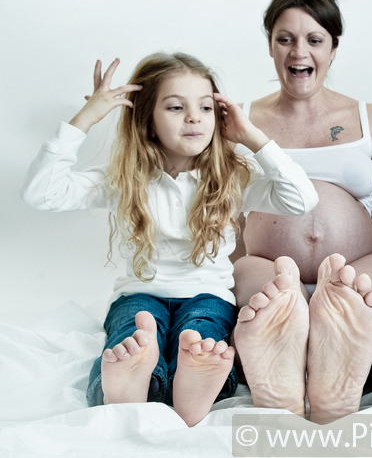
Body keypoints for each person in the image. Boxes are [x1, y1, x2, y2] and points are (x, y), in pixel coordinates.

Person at [20, 54, 318, 427]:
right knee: (134, 331)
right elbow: (41, 193)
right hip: (139, 294)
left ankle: (191, 384)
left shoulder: (232, 178)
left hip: (208, 294)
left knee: (202, 333)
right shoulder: (126, 178)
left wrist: (251, 137)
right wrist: (86, 119)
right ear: (147, 120)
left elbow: (302, 199)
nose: (194, 117)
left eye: (206, 107)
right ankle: (131, 382)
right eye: (176, 107)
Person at [230, 0, 372, 422]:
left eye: (314, 39)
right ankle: (301, 350)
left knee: (368, 281)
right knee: (263, 285)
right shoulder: (241, 122)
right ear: (271, 46)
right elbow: (226, 218)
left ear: (333, 48)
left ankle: (318, 362)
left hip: (357, 267)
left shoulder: (371, 118)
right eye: (285, 39)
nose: (299, 52)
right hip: (268, 271)